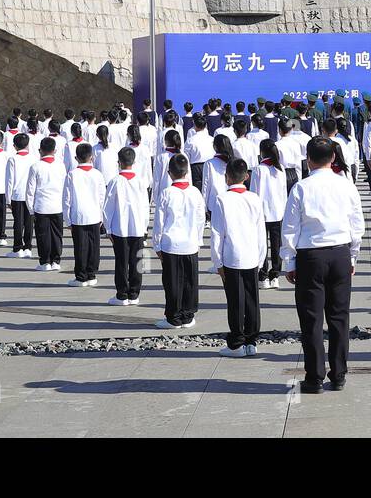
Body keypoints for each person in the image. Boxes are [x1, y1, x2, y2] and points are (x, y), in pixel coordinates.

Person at [282, 137, 365, 394]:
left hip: (311, 256)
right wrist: (352, 255)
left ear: (308, 160)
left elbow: (290, 229)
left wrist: (289, 261)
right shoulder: (346, 185)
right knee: (339, 317)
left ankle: (314, 376)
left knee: (312, 319)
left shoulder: (301, 188)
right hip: (340, 252)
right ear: (332, 158)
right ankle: (338, 374)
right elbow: (357, 224)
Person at [210, 156, 268, 356]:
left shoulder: (222, 199)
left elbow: (217, 233)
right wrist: (262, 257)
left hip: (232, 256)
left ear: (227, 177)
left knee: (236, 300)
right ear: (246, 177)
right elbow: (262, 231)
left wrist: (217, 261)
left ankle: (237, 342)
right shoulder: (254, 198)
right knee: (252, 299)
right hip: (252, 254)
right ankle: (252, 340)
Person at [153, 153, 204, 329]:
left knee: (172, 282)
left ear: (169, 173)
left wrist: (157, 244)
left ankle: (173, 317)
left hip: (171, 243)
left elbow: (159, 222)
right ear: (187, 172)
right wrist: (197, 240)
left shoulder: (166, 193)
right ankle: (188, 315)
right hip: (190, 243)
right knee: (190, 281)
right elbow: (200, 219)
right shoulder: (195, 192)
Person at [103, 146, 148, 305]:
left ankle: (122, 294)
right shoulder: (141, 181)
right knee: (137, 262)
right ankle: (134, 293)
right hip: (137, 227)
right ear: (134, 162)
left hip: (119, 228)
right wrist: (144, 227)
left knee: (121, 261)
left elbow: (107, 207)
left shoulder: (115, 181)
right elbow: (145, 206)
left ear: (119, 162)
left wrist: (107, 228)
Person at [64, 141, 105, 287]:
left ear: (76, 158)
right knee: (94, 246)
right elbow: (102, 197)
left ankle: (81, 276)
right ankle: (92, 273)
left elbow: (66, 199)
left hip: (78, 215)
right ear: (91, 157)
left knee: (80, 246)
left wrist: (67, 219)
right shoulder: (98, 174)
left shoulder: (72, 174)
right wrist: (101, 216)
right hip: (94, 214)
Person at [251, 138, 287, 288]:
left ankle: (263, 275)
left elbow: (254, 192)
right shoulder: (280, 169)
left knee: (262, 244)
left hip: (262, 212)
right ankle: (275, 275)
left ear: (261, 152)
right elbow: (284, 191)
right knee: (277, 244)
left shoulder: (259, 169)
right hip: (278, 211)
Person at [26, 136, 66, 270]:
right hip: (57, 205)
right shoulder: (60, 165)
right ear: (54, 150)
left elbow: (30, 190)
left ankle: (45, 261)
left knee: (43, 235)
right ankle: (56, 260)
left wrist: (31, 209)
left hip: (41, 206)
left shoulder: (35, 166)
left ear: (40, 150)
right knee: (57, 235)